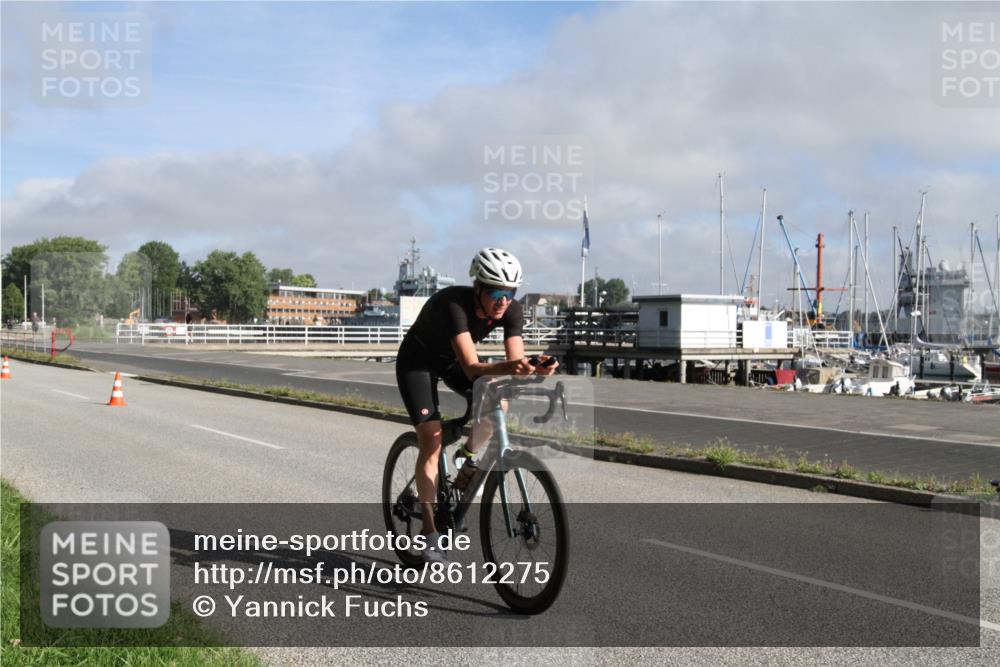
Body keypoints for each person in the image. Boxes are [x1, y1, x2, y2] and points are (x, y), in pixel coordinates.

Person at [395, 247, 558, 563]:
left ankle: (467, 456)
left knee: (500, 401)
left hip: (452, 362)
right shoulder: (454, 304)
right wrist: (512, 367)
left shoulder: (511, 310)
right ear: (478, 287)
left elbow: (515, 362)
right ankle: (429, 532)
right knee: (431, 441)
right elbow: (472, 368)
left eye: (510, 293)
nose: (503, 301)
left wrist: (536, 367)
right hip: (418, 363)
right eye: (496, 292)